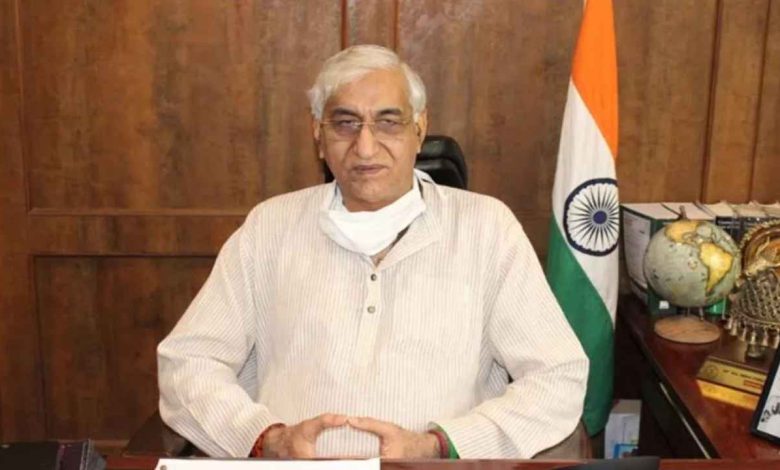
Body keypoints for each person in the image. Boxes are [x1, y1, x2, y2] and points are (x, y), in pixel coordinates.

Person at [157, 44, 588, 460]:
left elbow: (558, 377)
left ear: (419, 129)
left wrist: (439, 446)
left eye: (388, 122)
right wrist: (267, 439)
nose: (365, 147)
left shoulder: (487, 230)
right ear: (318, 134)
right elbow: (187, 363)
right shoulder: (269, 228)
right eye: (345, 123)